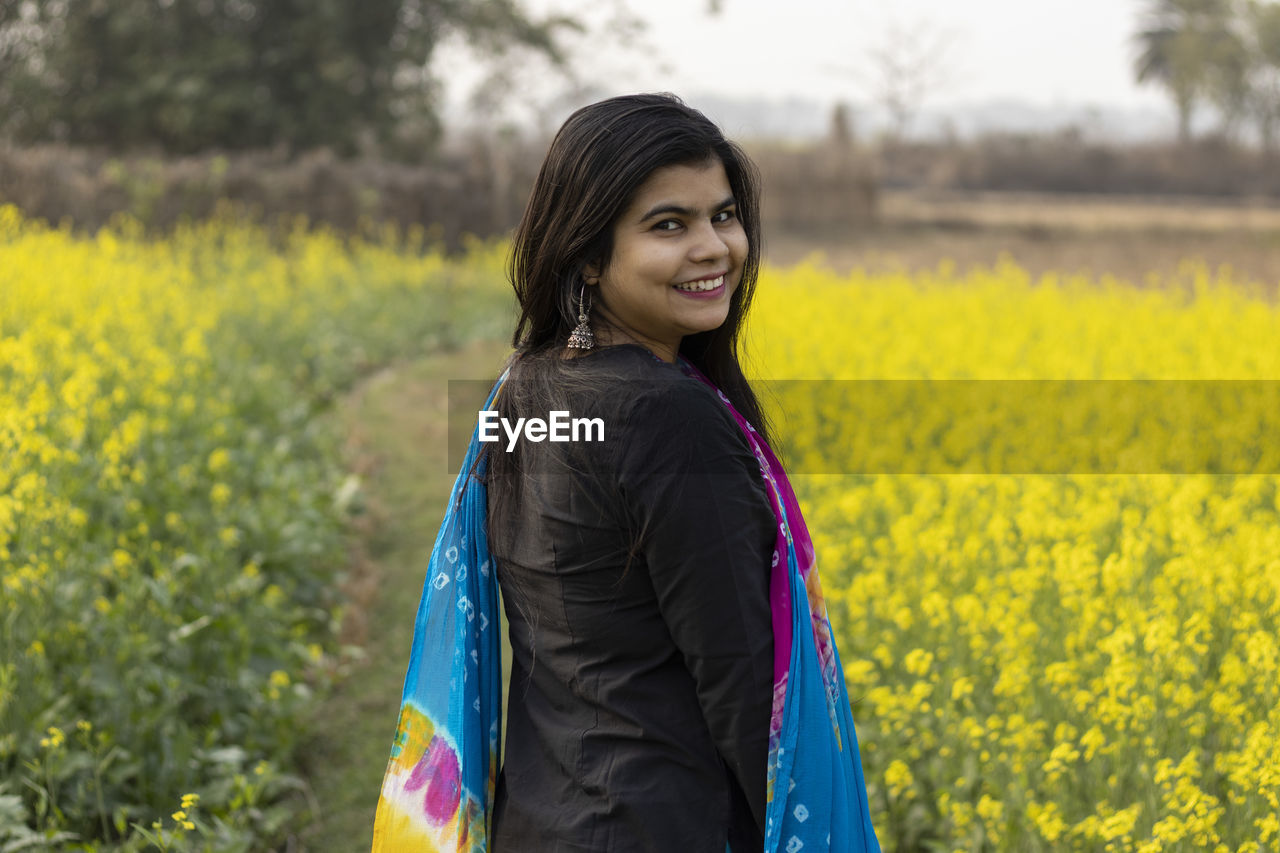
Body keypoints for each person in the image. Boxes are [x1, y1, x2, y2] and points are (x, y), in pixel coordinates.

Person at [372, 93, 879, 853]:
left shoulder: (526, 389)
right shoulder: (673, 421)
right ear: (586, 254)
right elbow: (750, 695)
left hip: (545, 818)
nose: (714, 247)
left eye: (724, 215)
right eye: (668, 225)